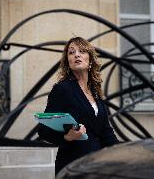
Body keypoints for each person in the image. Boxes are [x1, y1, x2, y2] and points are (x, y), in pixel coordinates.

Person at [38, 37, 119, 175]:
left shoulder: (96, 93)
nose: (76, 55)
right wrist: (67, 137)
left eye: (82, 51)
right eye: (71, 52)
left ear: (90, 60)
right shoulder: (62, 89)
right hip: (73, 166)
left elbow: (106, 132)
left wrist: (124, 152)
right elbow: (43, 130)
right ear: (68, 62)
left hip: (98, 166)